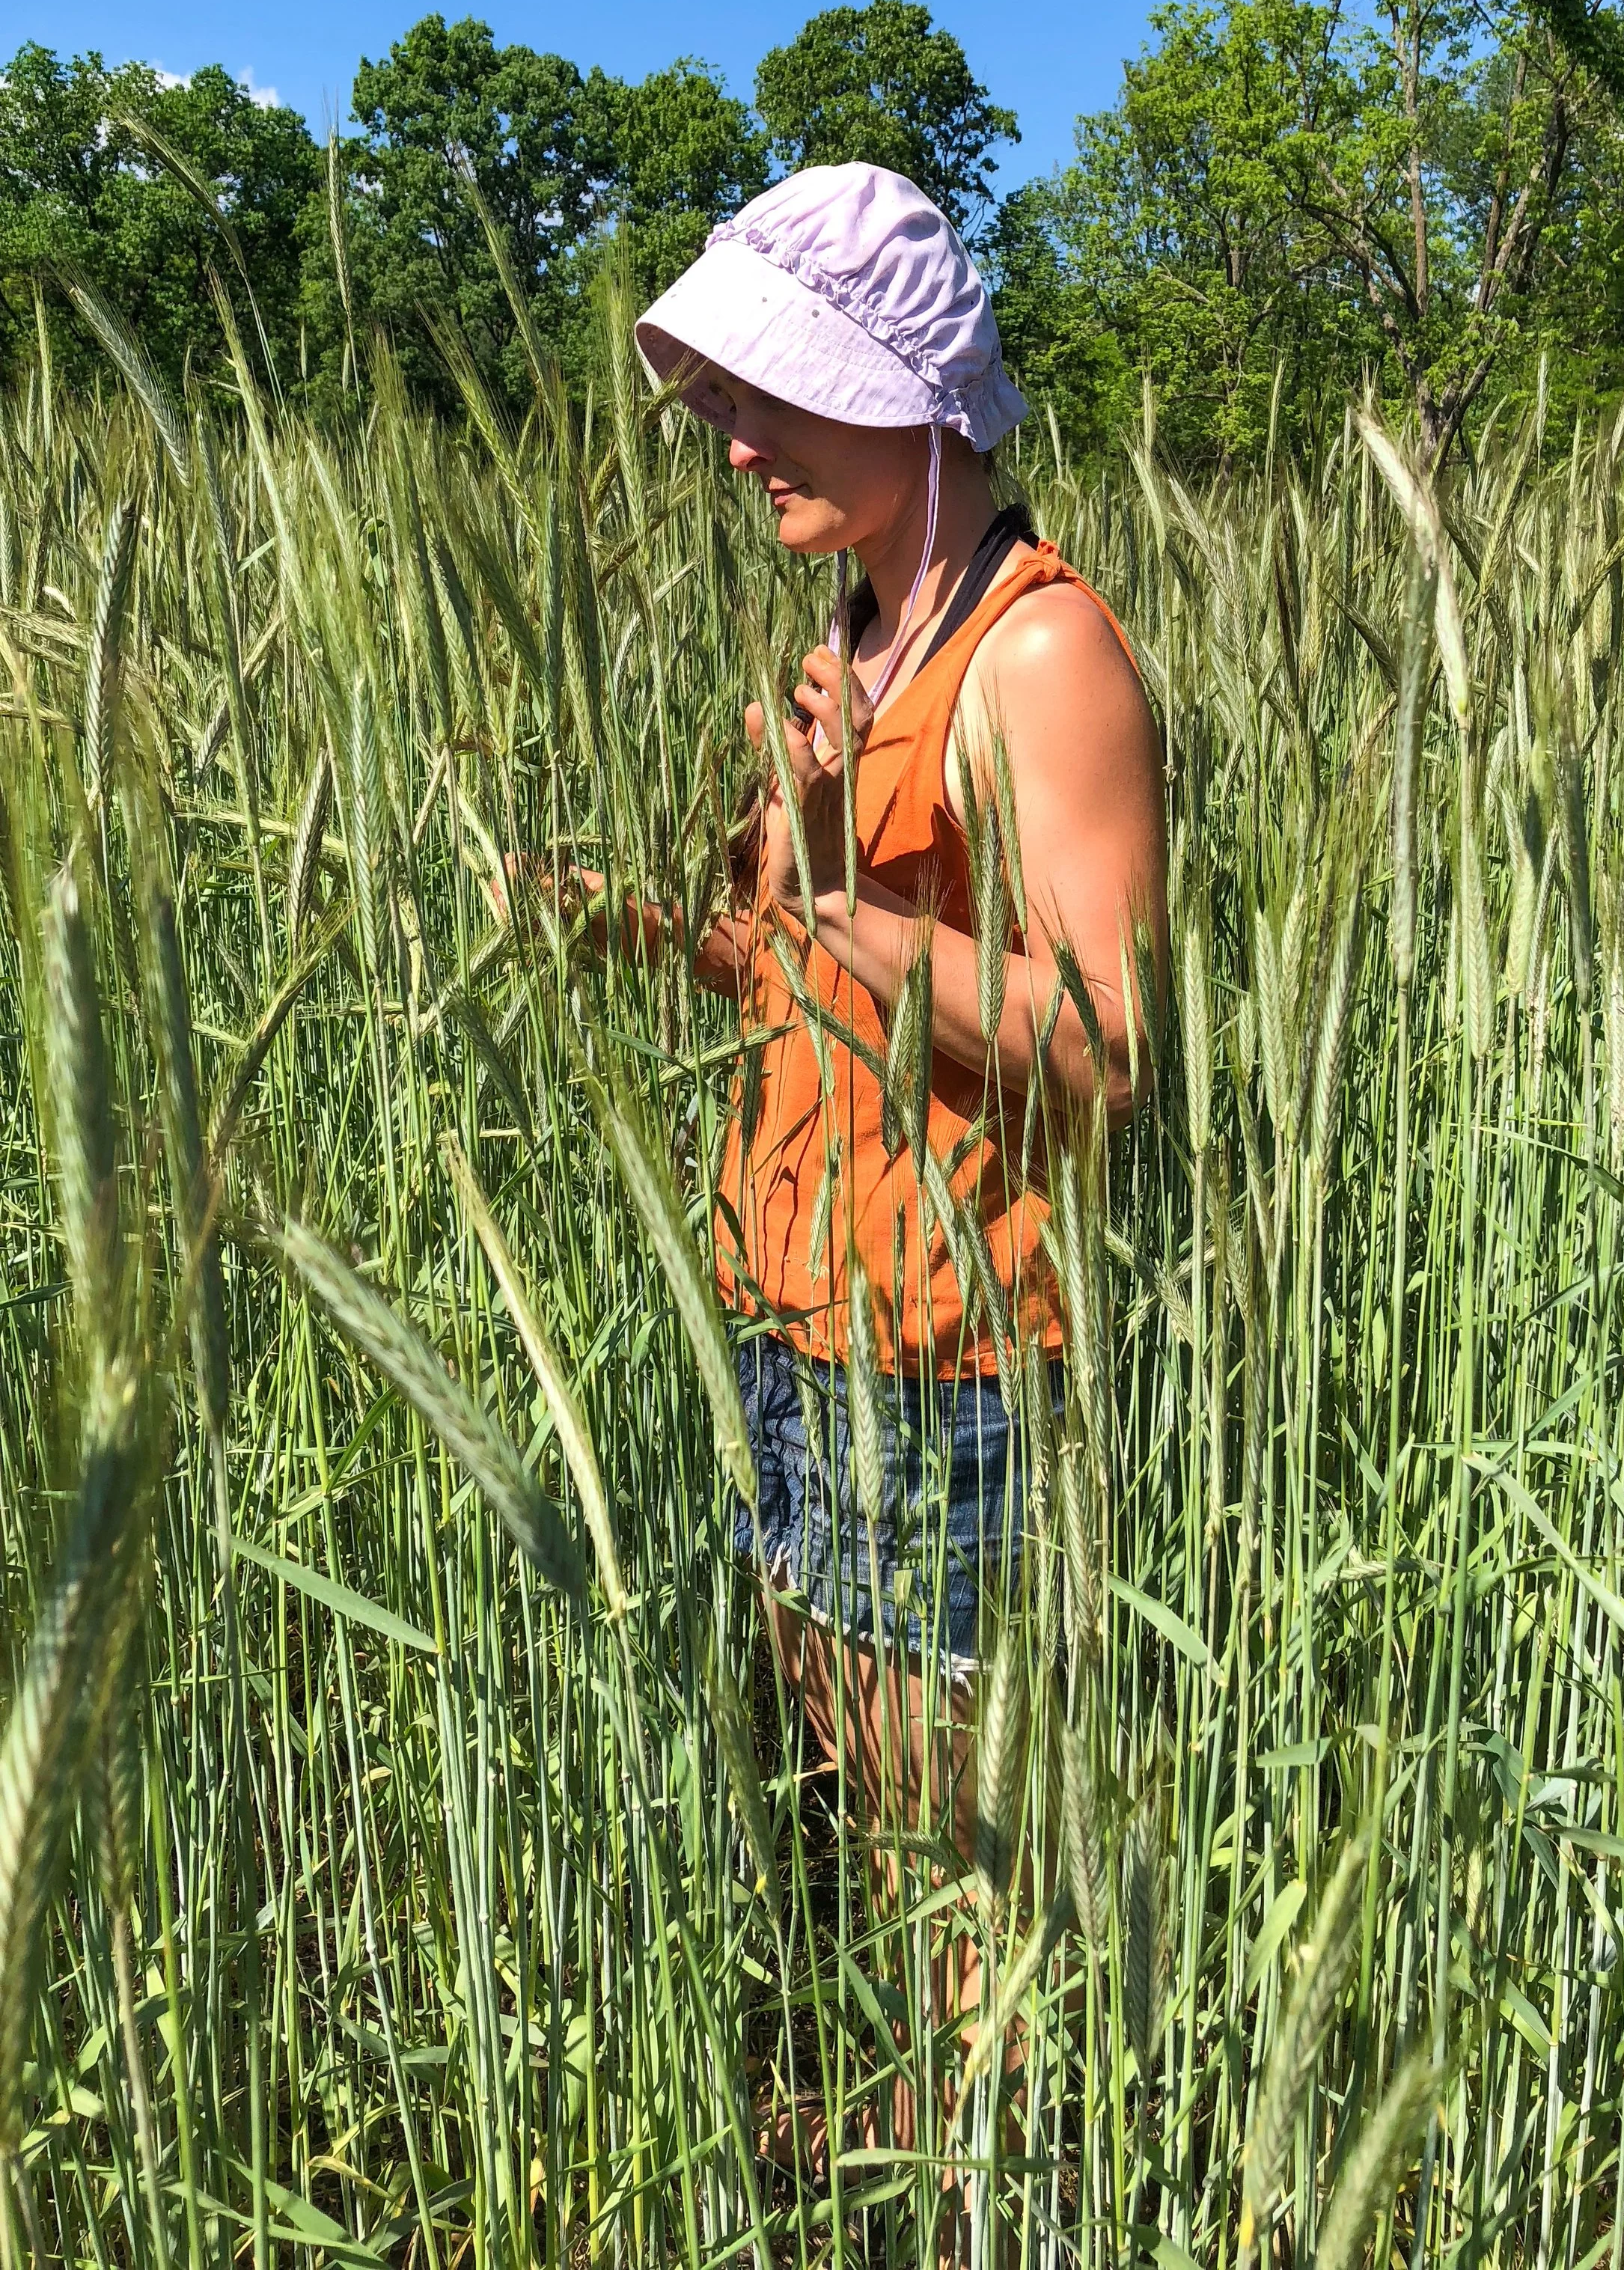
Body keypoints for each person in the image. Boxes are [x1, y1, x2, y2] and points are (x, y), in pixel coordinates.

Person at [522, 165, 1167, 2170]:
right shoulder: (841, 645)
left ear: (905, 391)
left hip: (952, 1329)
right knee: (856, 1788)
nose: (734, 434)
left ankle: (985, 2195)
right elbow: (787, 961)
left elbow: (1102, 1043)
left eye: (776, 392)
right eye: (724, 389)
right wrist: (631, 918)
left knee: (951, 1844)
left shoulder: (1040, 656)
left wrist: (831, 887)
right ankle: (910, 2163)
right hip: (790, 1295)